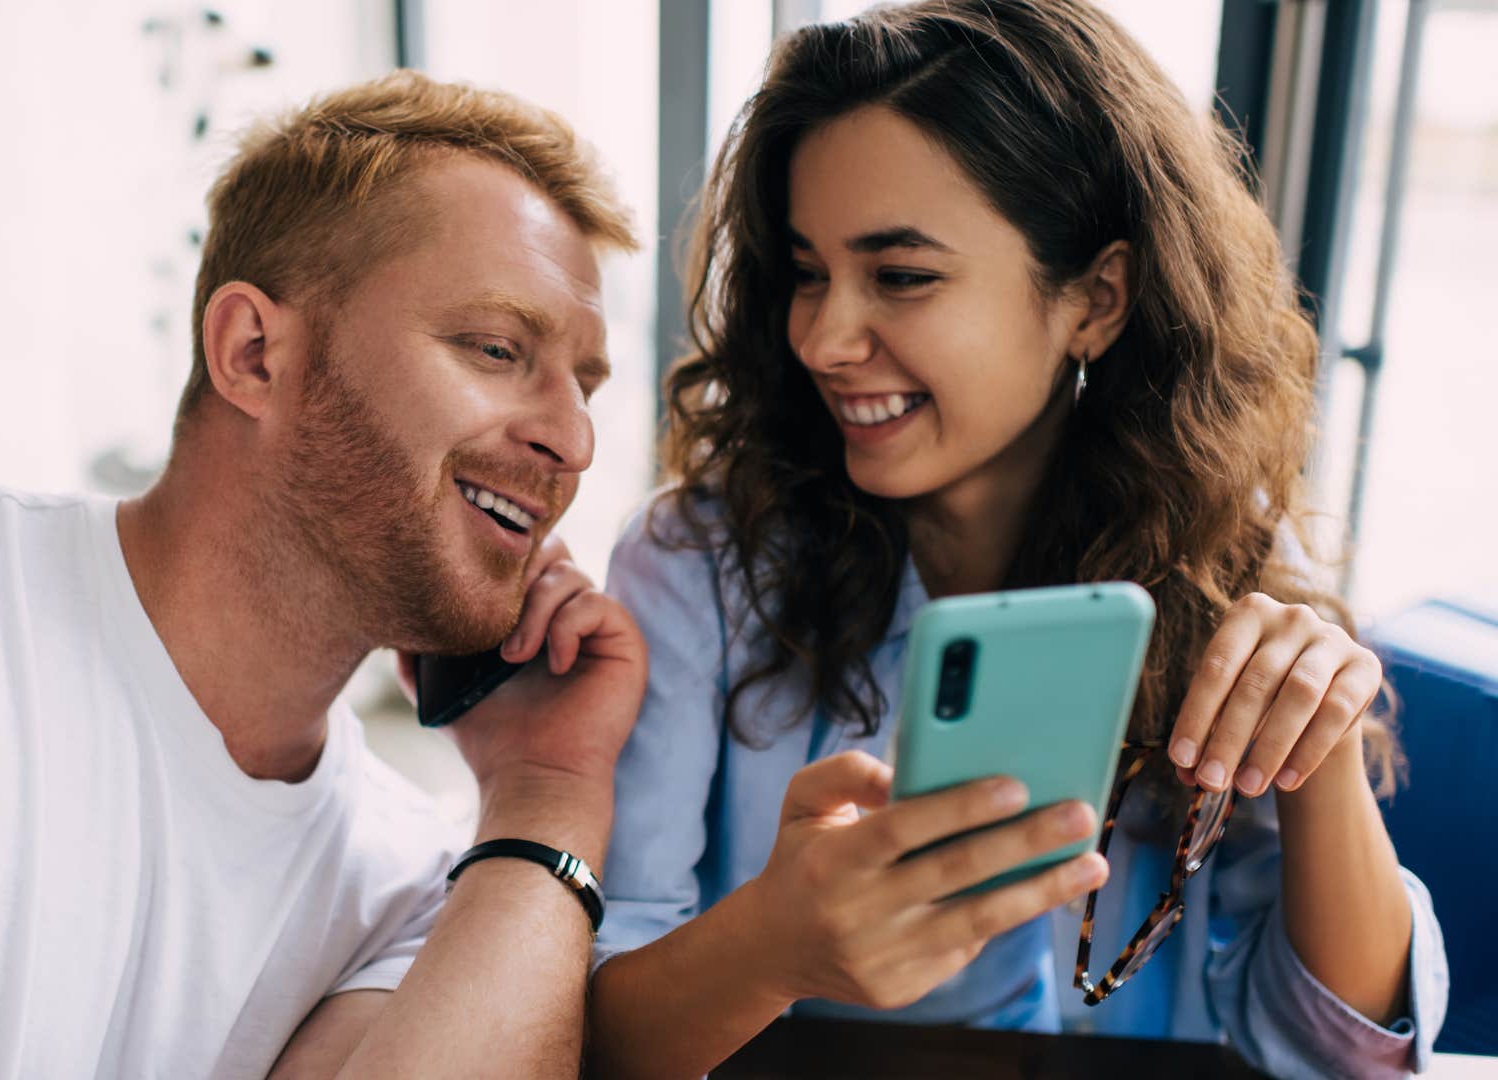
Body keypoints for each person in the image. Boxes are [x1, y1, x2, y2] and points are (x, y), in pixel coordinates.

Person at [0, 71, 647, 1078]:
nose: (573, 440)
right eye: (497, 349)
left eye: (584, 385)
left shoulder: (414, 891)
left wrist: (550, 794)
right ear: (253, 354)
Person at [584, 3, 1448, 1078]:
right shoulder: (698, 567)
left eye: (900, 276)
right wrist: (768, 950)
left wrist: (1323, 759)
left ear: (1096, 299)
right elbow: (586, 1037)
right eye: (808, 271)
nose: (821, 335)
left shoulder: (1225, 568)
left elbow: (1338, 1053)